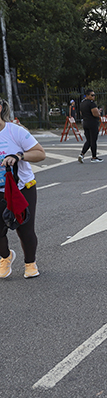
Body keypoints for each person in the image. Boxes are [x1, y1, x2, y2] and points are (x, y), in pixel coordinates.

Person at [0, 99, 46, 279]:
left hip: (21, 188)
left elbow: (40, 153)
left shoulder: (14, 131)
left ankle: (30, 263)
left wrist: (19, 156)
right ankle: (5, 257)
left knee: (24, 228)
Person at [78, 89, 103, 163]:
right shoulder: (92, 104)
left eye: (94, 95)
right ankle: (94, 157)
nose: (93, 97)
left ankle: (82, 154)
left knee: (88, 140)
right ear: (87, 95)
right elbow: (95, 114)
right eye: (92, 95)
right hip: (92, 123)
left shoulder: (82, 103)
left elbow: (81, 113)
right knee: (93, 140)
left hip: (85, 122)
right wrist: (98, 112)